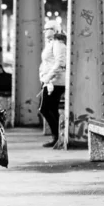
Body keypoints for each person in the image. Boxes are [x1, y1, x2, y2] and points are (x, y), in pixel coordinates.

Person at [38, 20, 67, 148]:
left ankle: (58, 136)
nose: (45, 31)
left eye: (47, 28)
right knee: (52, 109)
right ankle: (57, 137)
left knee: (44, 108)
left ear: (54, 30)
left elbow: (60, 63)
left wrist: (47, 77)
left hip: (55, 82)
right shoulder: (51, 43)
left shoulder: (58, 43)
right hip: (51, 81)